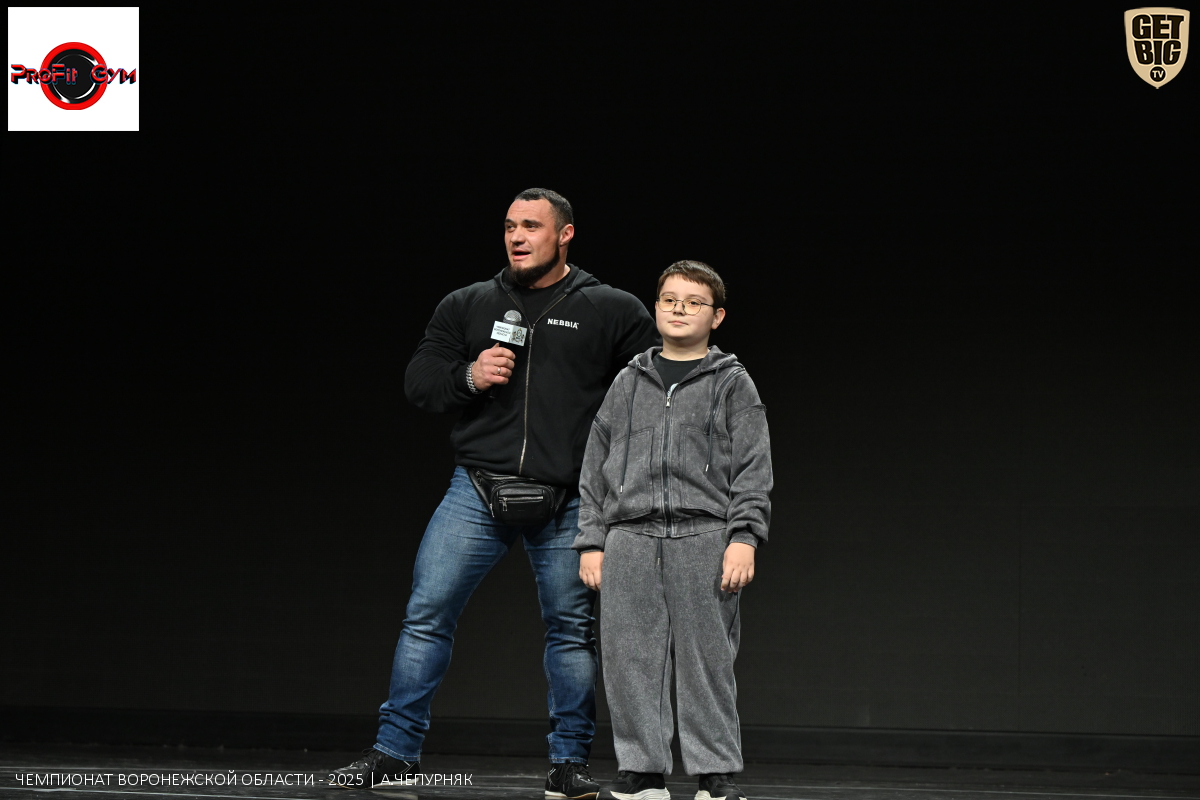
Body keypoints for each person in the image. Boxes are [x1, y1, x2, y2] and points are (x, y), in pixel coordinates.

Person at [326, 188, 657, 799]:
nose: (517, 237)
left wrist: (612, 474)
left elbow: (651, 396)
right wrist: (469, 376)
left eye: (531, 226)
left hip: (570, 498)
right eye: (509, 226)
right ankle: (395, 752)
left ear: (565, 235)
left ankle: (568, 763)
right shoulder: (469, 303)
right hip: (478, 489)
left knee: (571, 631)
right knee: (427, 614)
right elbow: (421, 382)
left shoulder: (611, 308)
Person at [574, 261, 772, 800]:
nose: (679, 308)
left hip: (704, 535)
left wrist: (744, 536)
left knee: (708, 659)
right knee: (629, 658)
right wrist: (591, 539)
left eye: (693, 301)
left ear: (717, 316)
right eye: (669, 299)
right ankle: (642, 772)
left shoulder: (731, 382)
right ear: (657, 307)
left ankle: (715, 773)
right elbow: (595, 466)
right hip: (630, 537)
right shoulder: (628, 381)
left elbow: (753, 467)